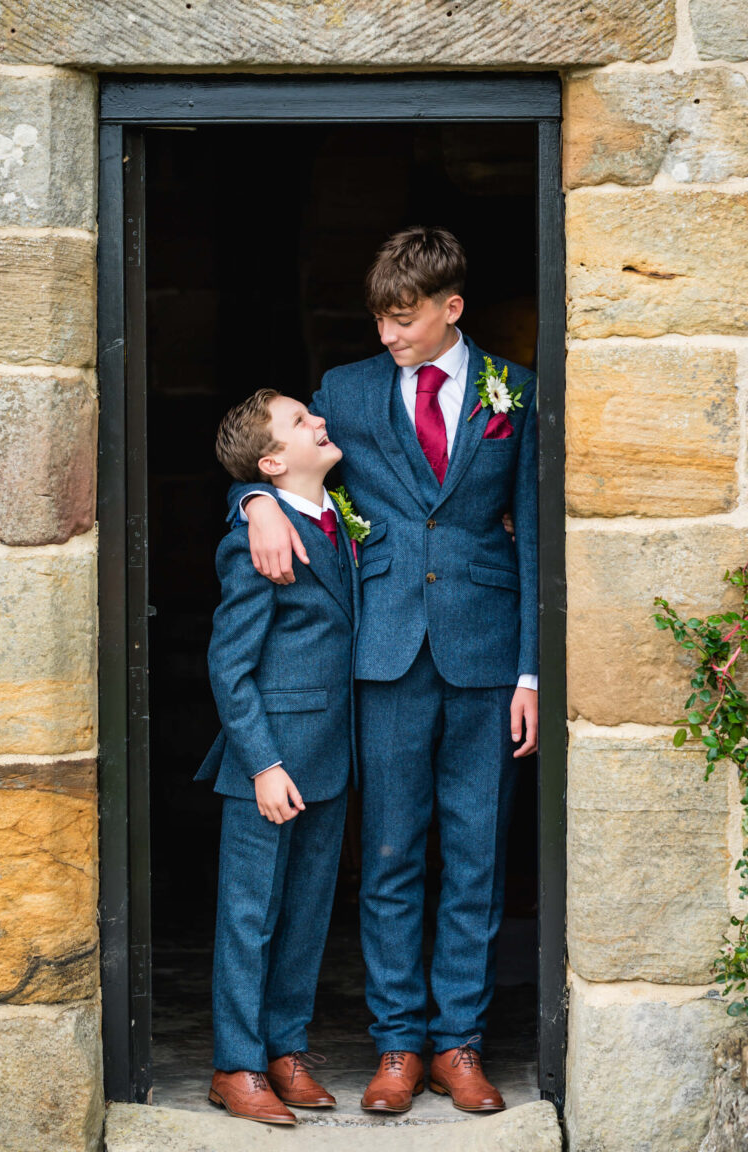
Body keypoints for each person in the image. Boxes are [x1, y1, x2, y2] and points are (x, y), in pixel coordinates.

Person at [237, 226, 538, 1114]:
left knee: (477, 856)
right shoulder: (346, 392)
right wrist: (251, 499)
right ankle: (399, 1044)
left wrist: (530, 673)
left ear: (452, 308)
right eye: (380, 319)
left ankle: (460, 1043)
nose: (388, 337)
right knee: (392, 855)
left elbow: (538, 533)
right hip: (382, 655)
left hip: (488, 659)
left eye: (404, 321)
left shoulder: (514, 392)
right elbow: (278, 464)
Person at [195, 388, 359, 1125]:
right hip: (270, 763)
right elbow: (230, 665)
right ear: (269, 461)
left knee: (306, 914)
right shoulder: (255, 533)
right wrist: (262, 763)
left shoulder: (339, 517)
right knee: (249, 915)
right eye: (301, 421)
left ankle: (284, 1049)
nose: (319, 421)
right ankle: (236, 1062)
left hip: (330, 753)